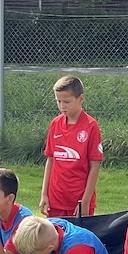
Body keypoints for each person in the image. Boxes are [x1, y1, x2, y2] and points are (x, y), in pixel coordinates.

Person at [39, 75, 103, 217]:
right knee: (54, 232)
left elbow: (95, 166)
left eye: (67, 102)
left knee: (79, 232)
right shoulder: (55, 124)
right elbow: (51, 160)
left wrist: (85, 201)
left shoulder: (91, 126)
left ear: (81, 99)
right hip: (55, 199)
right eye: (58, 101)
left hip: (78, 201)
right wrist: (44, 194)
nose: (62, 106)